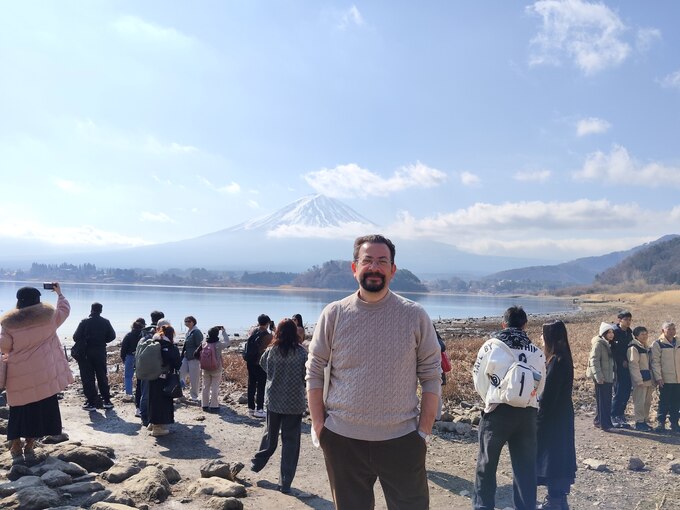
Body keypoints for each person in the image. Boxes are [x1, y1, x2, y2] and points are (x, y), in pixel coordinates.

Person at [306, 234, 441, 510]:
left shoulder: (414, 315)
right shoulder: (334, 314)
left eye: (382, 261)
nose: (374, 267)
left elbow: (431, 374)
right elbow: (314, 370)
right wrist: (320, 427)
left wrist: (423, 432)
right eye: (367, 260)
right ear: (354, 267)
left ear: (393, 270)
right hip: (343, 440)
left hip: (402, 440)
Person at [472, 305, 546, 510]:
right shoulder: (537, 352)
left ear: (503, 324)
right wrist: (527, 398)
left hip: (497, 412)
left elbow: (479, 379)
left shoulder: (491, 347)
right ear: (525, 325)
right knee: (525, 467)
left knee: (487, 464)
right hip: (528, 414)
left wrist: (490, 398)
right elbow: (541, 385)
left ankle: (483, 506)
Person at [0, 283, 73, 459]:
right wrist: (59, 294)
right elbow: (64, 310)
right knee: (40, 409)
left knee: (18, 410)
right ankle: (30, 444)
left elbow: (4, 347)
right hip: (44, 373)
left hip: (19, 374)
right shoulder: (49, 317)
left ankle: (15, 445)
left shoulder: (9, 323)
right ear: (38, 299)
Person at [251, 318, 308, 493]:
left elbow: (263, 366)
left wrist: (275, 377)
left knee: (270, 436)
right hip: (294, 402)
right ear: (295, 333)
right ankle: (285, 483)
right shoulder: (302, 353)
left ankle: (257, 462)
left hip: (274, 399)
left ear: (278, 332)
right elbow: (306, 374)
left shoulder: (271, 351)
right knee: (291, 443)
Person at [536, 320, 577, 510]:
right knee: (560, 455)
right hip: (563, 413)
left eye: (543, 334)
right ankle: (559, 500)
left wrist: (538, 417)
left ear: (549, 338)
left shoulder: (556, 361)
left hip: (553, 417)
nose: (540, 337)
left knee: (552, 457)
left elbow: (548, 395)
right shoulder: (564, 357)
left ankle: (554, 501)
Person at [73, 302, 117, 411]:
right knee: (102, 376)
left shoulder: (84, 322)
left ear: (91, 309)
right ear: (101, 310)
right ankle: (107, 400)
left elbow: (75, 337)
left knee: (88, 377)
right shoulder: (105, 322)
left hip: (86, 353)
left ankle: (91, 402)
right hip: (100, 351)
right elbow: (112, 336)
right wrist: (102, 340)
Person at [147, 324, 182, 437]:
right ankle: (158, 428)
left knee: (153, 400)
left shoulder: (153, 344)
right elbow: (178, 364)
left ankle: (152, 423)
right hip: (164, 378)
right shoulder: (170, 347)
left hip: (152, 377)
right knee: (163, 402)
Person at [650, 322, 680, 433]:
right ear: (663, 330)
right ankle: (660, 423)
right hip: (665, 379)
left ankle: (674, 424)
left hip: (678, 379)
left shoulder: (678, 342)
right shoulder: (658, 344)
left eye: (673, 329)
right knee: (664, 402)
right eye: (669, 329)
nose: (672, 331)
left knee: (676, 402)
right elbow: (655, 362)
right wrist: (658, 377)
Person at [136, 310, 165, 425]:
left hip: (143, 365)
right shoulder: (160, 332)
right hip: (157, 366)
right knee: (155, 394)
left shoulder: (144, 331)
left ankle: (144, 417)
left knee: (145, 392)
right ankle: (153, 417)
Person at [587, 322, 616, 431]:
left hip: (608, 376)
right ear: (603, 333)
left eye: (612, 332)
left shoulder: (608, 344)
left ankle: (599, 421)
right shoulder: (599, 344)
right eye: (609, 332)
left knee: (605, 400)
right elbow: (594, 361)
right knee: (604, 401)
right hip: (602, 377)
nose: (611, 334)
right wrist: (599, 376)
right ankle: (605, 424)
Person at [245, 314, 273, 419]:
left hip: (250, 361)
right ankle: (260, 409)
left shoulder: (253, 331)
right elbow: (273, 344)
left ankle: (251, 408)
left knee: (251, 384)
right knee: (261, 386)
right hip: (260, 363)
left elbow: (250, 332)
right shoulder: (268, 336)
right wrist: (273, 330)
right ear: (267, 323)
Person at [628, 326, 654, 431]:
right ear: (636, 336)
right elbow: (633, 365)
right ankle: (639, 422)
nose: (645, 336)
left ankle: (644, 421)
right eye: (642, 334)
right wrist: (638, 380)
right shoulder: (633, 348)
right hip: (640, 380)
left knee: (647, 402)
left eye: (646, 334)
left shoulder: (646, 347)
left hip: (648, 379)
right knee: (639, 402)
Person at [610, 311, 633, 428]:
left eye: (630, 320)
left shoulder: (629, 332)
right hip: (618, 367)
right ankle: (613, 415)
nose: (628, 322)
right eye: (626, 319)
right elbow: (612, 350)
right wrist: (621, 360)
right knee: (619, 391)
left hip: (629, 365)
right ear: (619, 320)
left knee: (627, 391)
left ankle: (621, 414)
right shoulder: (614, 332)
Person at [200, 326, 231, 412]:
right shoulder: (218, 344)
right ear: (217, 334)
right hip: (216, 368)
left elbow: (204, 339)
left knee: (205, 386)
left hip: (205, 368)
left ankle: (204, 405)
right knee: (215, 387)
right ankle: (214, 405)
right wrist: (223, 332)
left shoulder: (204, 343)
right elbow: (227, 342)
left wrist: (211, 332)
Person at [179, 315, 203, 402]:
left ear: (193, 322)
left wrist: (196, 354)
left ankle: (194, 396)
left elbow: (200, 345)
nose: (187, 323)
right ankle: (179, 392)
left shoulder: (196, 332)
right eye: (185, 321)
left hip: (194, 358)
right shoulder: (189, 332)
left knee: (194, 377)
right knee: (181, 373)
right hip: (186, 357)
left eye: (189, 321)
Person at [120, 318, 146, 396]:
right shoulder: (143, 336)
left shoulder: (128, 335)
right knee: (141, 376)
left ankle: (129, 393)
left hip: (130, 356)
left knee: (128, 376)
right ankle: (141, 393)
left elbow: (123, 348)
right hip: (141, 357)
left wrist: (123, 358)